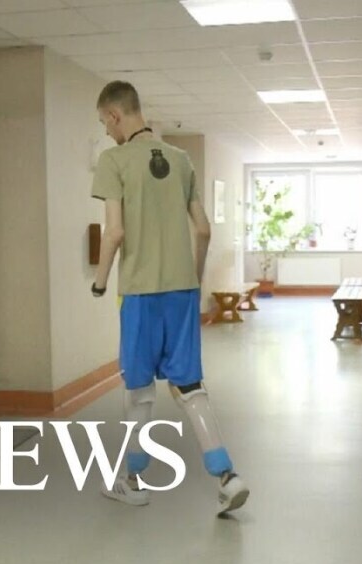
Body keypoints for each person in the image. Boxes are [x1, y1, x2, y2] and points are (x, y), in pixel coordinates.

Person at [89, 80, 249, 516]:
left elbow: (114, 232)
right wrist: (192, 280)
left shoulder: (114, 160)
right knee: (190, 386)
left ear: (115, 115)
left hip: (140, 293)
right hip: (182, 291)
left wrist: (100, 281)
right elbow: (203, 230)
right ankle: (227, 476)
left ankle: (132, 480)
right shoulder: (180, 160)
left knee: (139, 390)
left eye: (105, 122)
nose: (107, 131)